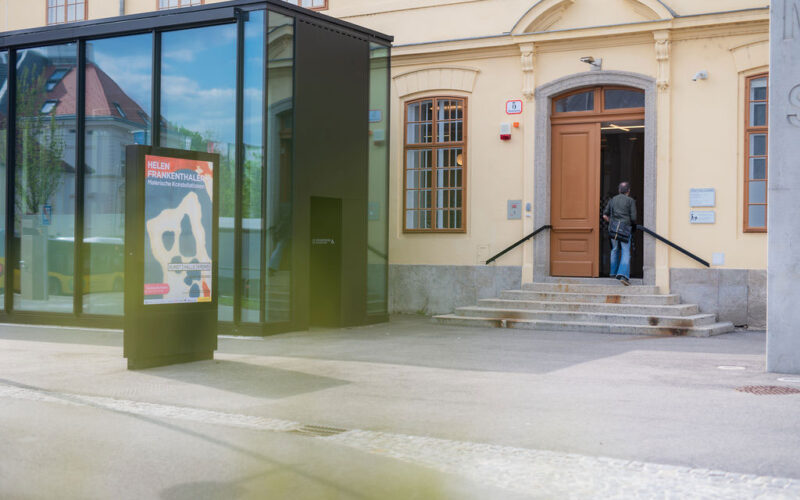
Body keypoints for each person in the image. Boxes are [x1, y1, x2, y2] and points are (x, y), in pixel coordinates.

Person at [603, 181, 637, 286]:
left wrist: (612, 222)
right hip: (625, 229)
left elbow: (605, 215)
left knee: (614, 249)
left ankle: (613, 273)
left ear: (619, 190)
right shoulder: (630, 201)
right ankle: (623, 275)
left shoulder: (612, 200)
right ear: (628, 191)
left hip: (613, 229)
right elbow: (633, 218)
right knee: (626, 251)